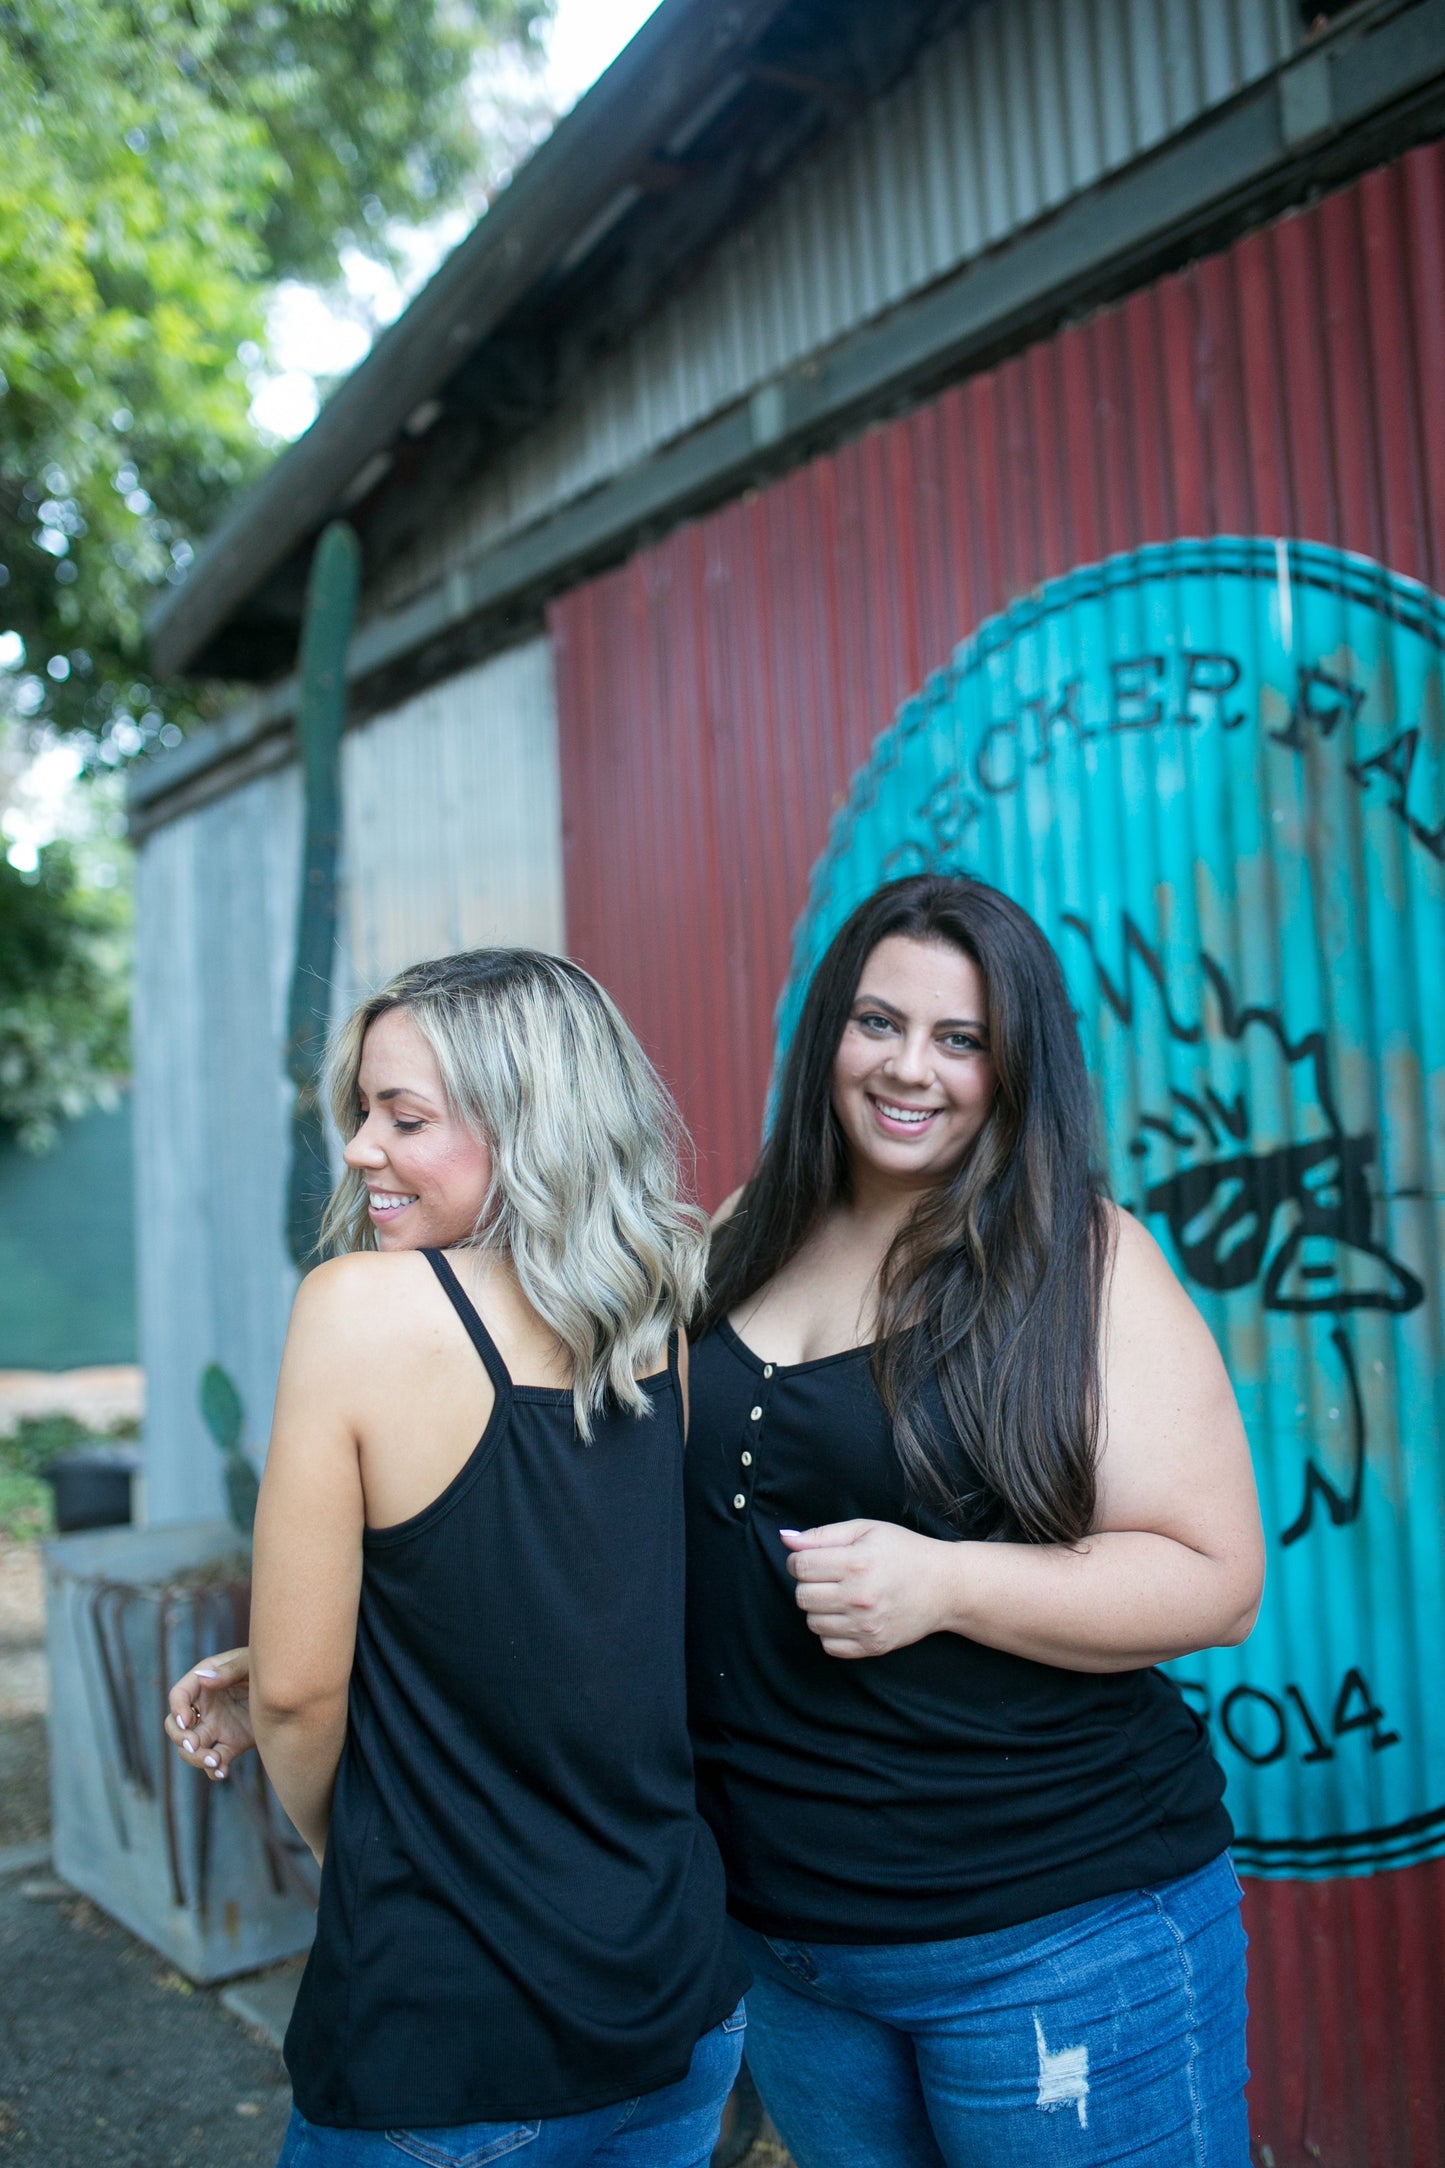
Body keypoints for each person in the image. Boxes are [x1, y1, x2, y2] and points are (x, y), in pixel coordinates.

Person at [170, 876, 1263, 2167]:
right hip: (793, 1947)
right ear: (827, 1037)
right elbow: (611, 1536)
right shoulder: (740, 1238)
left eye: (959, 1038)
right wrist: (337, 1642)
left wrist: (950, 1583)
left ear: (1015, 1061)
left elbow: (1216, 1580)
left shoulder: (1081, 1258)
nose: (911, 1068)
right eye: (878, 1023)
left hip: (1047, 1928)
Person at [173, 948, 748, 2168]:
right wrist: (329, 1642)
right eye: (361, 1112)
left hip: (448, 2042)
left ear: (530, 1121)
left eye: (404, 1116)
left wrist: (370, 1844)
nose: (361, 1149)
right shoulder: (666, 1308)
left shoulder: (360, 1310)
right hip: (679, 2008)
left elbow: (294, 1694)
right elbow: (588, 1614)